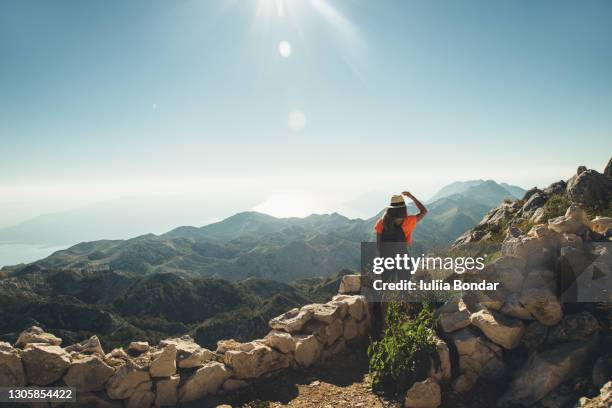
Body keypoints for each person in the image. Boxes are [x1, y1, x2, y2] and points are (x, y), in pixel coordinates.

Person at [374, 191, 428, 296]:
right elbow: (424, 211)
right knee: (404, 289)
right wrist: (412, 197)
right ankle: (403, 307)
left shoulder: (381, 223)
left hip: (386, 257)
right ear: (403, 208)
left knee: (386, 290)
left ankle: (382, 310)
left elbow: (378, 245)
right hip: (402, 256)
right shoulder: (408, 221)